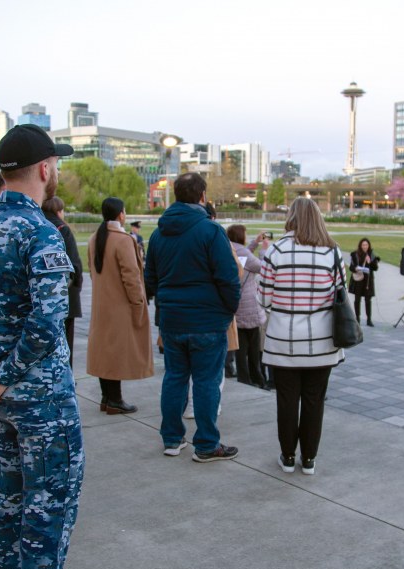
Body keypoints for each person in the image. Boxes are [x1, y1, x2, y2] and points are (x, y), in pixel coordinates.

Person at [0, 123, 100, 569]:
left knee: (14, 491)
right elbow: (47, 325)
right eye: (56, 163)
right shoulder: (39, 232)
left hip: (4, 394)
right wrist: (0, 376)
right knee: (50, 498)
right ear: (45, 168)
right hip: (37, 395)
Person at [144, 172, 241, 461]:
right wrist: (229, 309)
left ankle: (172, 438)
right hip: (207, 321)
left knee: (174, 378)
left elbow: (149, 279)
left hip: (173, 319)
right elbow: (228, 277)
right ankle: (207, 444)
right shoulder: (211, 231)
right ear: (202, 196)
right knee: (206, 381)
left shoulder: (159, 234)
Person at [259, 197, 345, 476]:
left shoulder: (275, 251)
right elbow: (341, 294)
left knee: (286, 400)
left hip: (283, 340)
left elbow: (263, 299)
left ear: (291, 217)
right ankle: (309, 458)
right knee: (314, 400)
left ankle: (287, 456)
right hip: (322, 341)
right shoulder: (332, 252)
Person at [86, 197, 154, 414]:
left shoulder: (95, 238)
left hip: (101, 305)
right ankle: (115, 399)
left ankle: (107, 397)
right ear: (121, 214)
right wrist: (138, 303)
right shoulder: (123, 240)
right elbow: (131, 277)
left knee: (104, 351)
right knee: (115, 352)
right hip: (120, 306)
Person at [41, 196, 83, 362]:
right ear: (58, 211)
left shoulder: (36, 225)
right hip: (63, 298)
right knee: (64, 347)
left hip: (40, 298)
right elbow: (73, 266)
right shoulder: (61, 229)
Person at [227, 224, 265, 387]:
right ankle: (257, 377)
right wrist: (263, 250)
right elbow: (262, 267)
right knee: (254, 347)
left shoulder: (230, 248)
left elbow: (244, 255)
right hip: (249, 305)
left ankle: (243, 378)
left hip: (236, 305)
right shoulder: (243, 252)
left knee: (240, 347)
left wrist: (254, 243)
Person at [348, 237, 380, 327]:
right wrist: (356, 268)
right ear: (360, 245)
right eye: (363, 245)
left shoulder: (371, 254)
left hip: (368, 281)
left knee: (368, 300)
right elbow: (351, 267)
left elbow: (376, 268)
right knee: (357, 300)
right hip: (358, 280)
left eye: (366, 245)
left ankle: (369, 319)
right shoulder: (355, 254)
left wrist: (370, 262)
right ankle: (357, 318)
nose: (365, 246)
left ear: (369, 245)